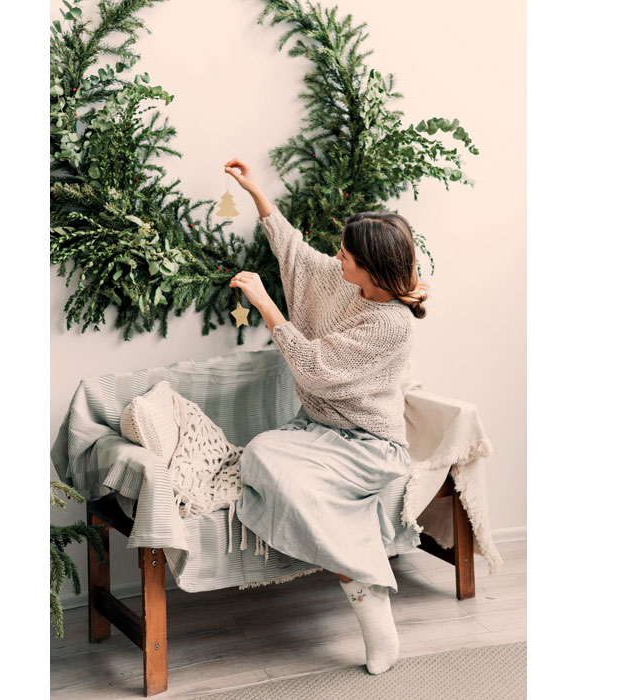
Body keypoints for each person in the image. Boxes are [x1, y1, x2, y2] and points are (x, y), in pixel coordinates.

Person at [223, 157, 428, 675]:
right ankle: (356, 542)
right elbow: (295, 253)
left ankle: (366, 592)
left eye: (346, 254)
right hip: (317, 431)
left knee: (290, 478)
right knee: (261, 453)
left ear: (371, 267)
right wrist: (257, 193)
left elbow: (314, 369)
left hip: (369, 446)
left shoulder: (392, 324)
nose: (337, 257)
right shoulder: (348, 282)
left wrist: (266, 304)